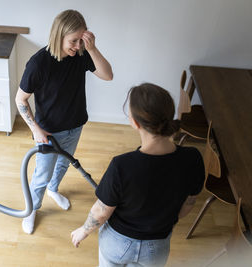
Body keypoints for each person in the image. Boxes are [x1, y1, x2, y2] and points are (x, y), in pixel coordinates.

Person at [71, 83, 205, 266]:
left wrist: (83, 231)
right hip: (157, 247)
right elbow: (187, 205)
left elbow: (101, 212)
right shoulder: (193, 158)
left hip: (117, 243)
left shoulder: (122, 166)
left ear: (134, 122)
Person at [16, 9, 113, 234]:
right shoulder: (38, 63)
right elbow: (20, 99)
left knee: (64, 164)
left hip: (75, 125)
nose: (77, 46)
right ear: (58, 35)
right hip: (48, 132)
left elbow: (108, 75)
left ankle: (54, 189)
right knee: (42, 173)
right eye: (73, 41)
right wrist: (36, 129)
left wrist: (92, 48)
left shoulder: (81, 55)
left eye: (81, 40)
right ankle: (32, 209)